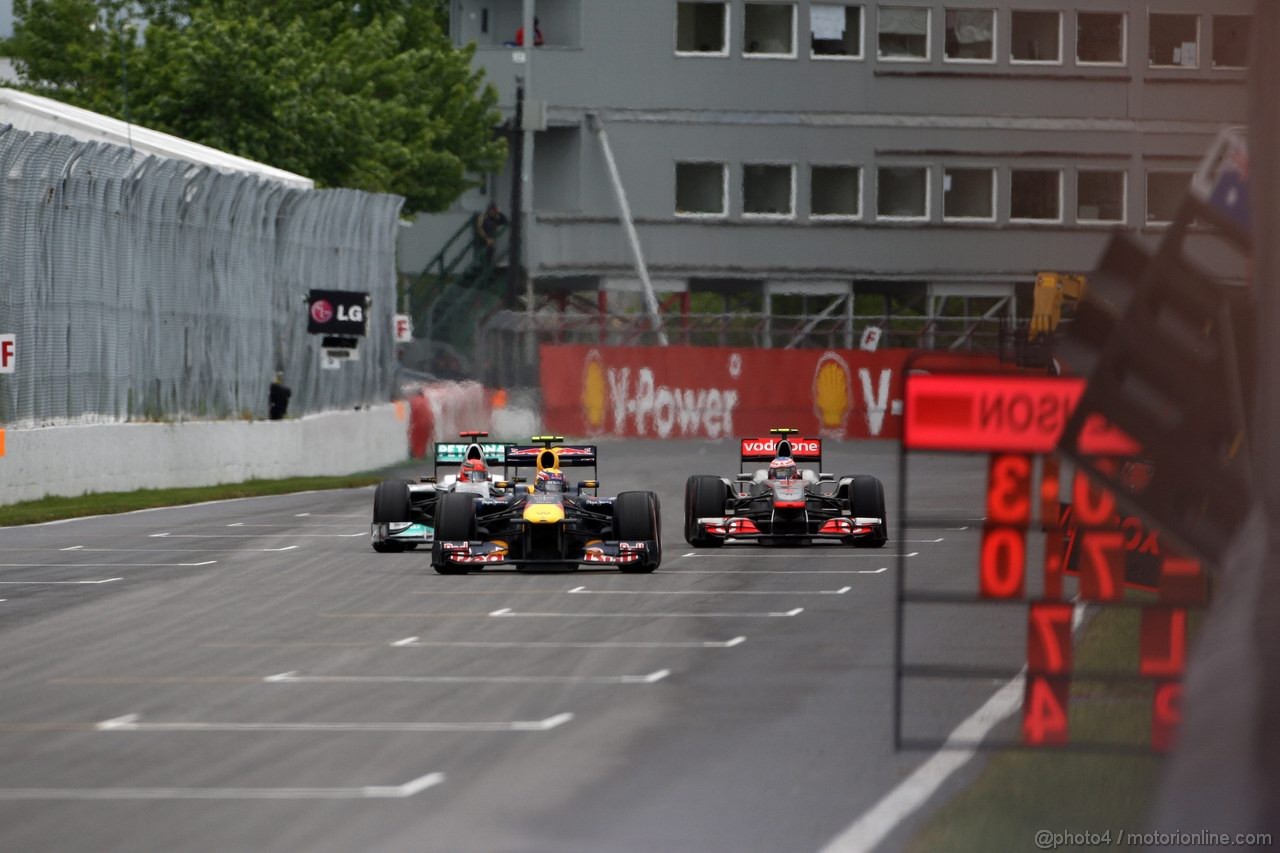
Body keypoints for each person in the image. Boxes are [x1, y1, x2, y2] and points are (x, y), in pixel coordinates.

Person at [474, 202, 508, 268]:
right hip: (482, 242)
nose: (492, 211)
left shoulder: (495, 218)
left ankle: (488, 272)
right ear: (488, 210)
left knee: (490, 258)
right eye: (491, 209)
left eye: (494, 210)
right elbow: (479, 229)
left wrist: (499, 212)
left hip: (491, 243)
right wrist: (486, 238)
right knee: (483, 259)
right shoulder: (483, 217)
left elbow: (505, 221)